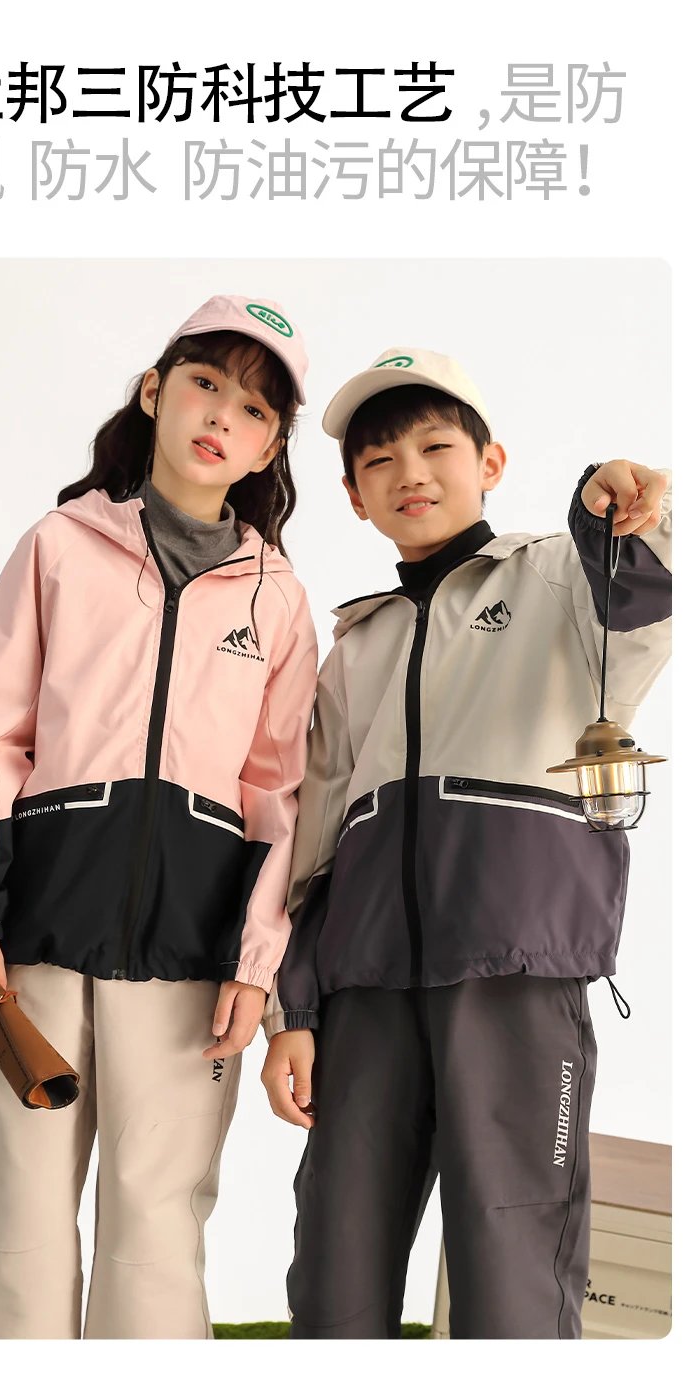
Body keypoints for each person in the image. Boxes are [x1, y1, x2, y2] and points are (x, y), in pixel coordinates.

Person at [0, 294, 318, 1339]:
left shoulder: (277, 598)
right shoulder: (60, 545)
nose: (221, 415)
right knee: (12, 1214)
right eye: (203, 383)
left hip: (191, 963)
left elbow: (280, 797)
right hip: (33, 946)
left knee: (156, 1226)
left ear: (272, 446)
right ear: (153, 391)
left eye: (255, 408)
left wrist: (256, 965)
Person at [261, 347, 671, 1339]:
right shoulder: (353, 645)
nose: (410, 472)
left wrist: (613, 503)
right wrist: (291, 1011)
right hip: (362, 995)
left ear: (489, 462)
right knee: (334, 1277)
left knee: (510, 1271)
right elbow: (309, 848)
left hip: (513, 975)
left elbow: (639, 603)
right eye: (378, 460)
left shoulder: (556, 577)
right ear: (354, 498)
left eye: (435, 447)